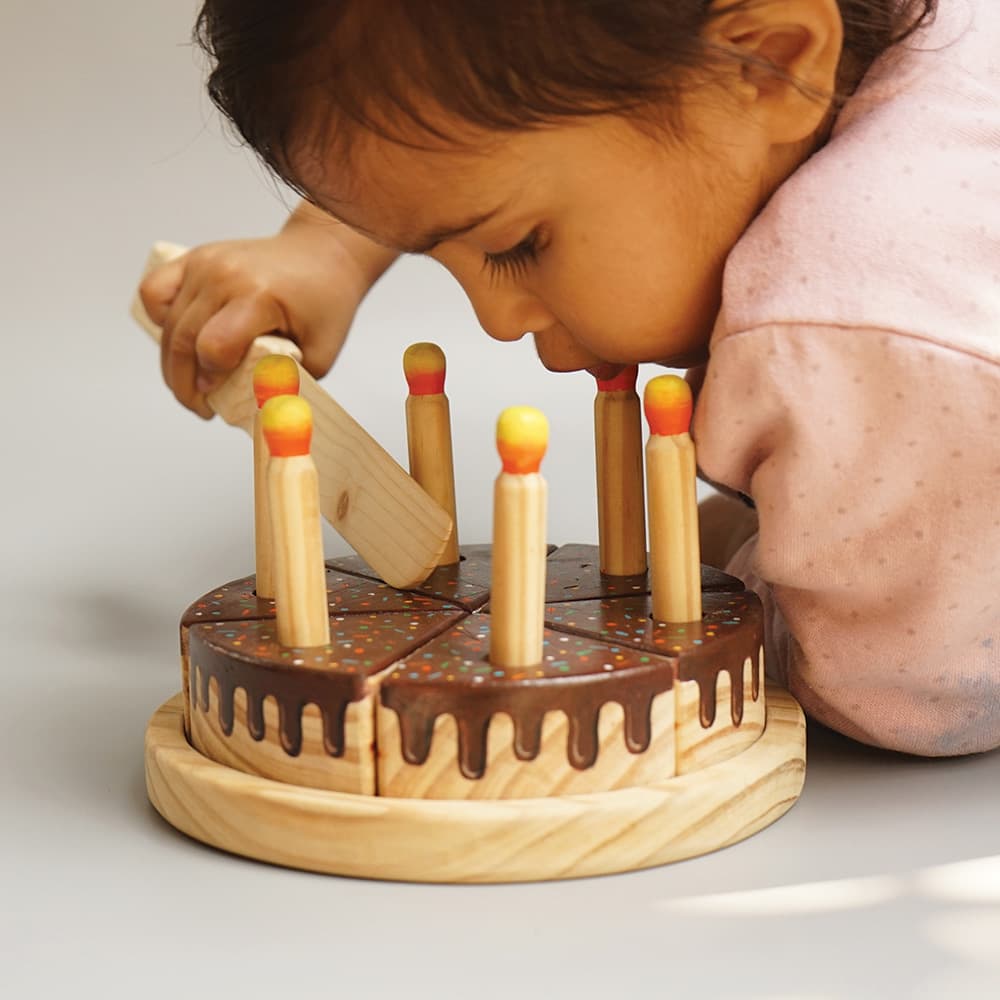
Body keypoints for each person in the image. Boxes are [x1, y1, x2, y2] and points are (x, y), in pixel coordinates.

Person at [140, 0, 1000, 756]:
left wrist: (713, 591)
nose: (495, 320)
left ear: (770, 61)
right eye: (423, 243)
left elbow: (911, 693)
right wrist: (327, 245)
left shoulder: (854, 340)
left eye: (513, 244)